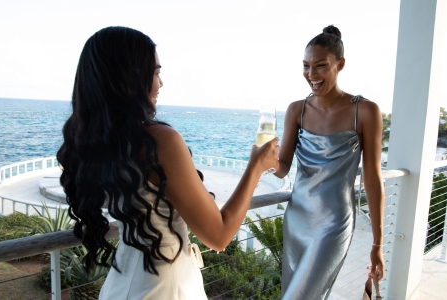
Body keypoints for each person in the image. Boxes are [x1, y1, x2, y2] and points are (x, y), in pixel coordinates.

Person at [56, 26, 279, 300]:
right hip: (164, 288)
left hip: (122, 284)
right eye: (156, 73)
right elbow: (218, 236)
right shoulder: (160, 141)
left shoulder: (95, 141)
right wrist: (255, 167)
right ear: (130, 77)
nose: (160, 83)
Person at [273, 25, 385, 299]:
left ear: (340, 64)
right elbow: (283, 166)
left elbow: (372, 179)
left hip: (334, 224)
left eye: (320, 66)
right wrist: (264, 160)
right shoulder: (296, 109)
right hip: (297, 219)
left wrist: (377, 243)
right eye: (306, 66)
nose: (311, 74)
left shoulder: (365, 111)